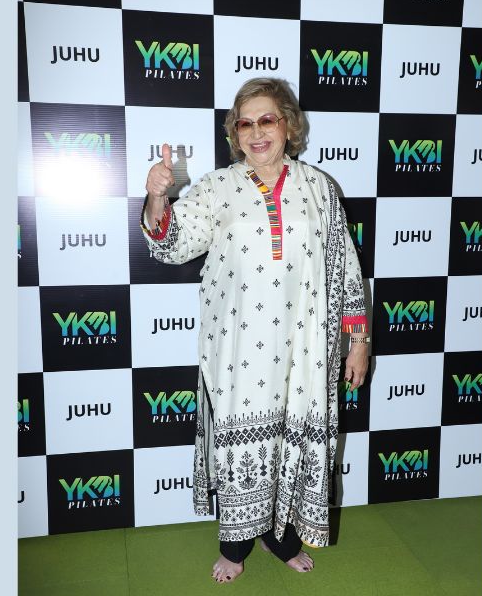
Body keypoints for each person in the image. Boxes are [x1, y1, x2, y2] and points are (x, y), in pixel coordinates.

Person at [140, 77, 369, 583]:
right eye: (245, 123)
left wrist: (358, 341)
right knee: (241, 446)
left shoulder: (320, 189)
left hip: (304, 351)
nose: (257, 132)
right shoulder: (217, 187)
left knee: (292, 438)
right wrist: (158, 199)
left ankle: (281, 538)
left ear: (288, 125)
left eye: (267, 120)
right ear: (235, 134)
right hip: (238, 349)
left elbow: (346, 270)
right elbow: (172, 246)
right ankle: (235, 545)